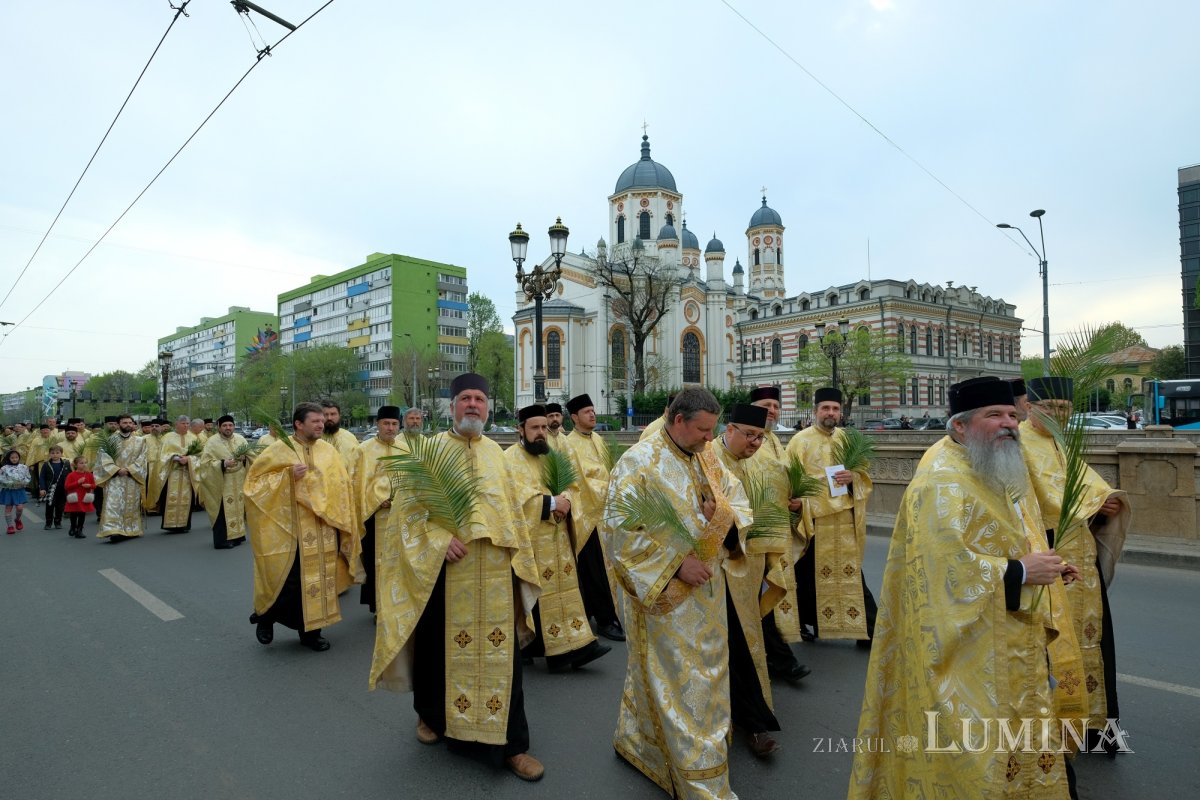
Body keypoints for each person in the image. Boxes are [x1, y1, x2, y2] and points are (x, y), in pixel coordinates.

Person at [849, 376, 1079, 798]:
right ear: (960, 426)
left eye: (1012, 413)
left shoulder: (994, 463)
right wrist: (1021, 573)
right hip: (968, 658)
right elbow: (940, 573)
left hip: (1011, 640)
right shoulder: (940, 481)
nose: (1010, 423)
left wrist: (1047, 565)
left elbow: (1012, 535)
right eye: (995, 415)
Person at [369, 373, 545, 782]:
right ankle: (431, 716)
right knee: (437, 649)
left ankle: (513, 746)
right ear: (451, 407)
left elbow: (513, 515)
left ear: (487, 407)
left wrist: (517, 562)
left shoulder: (498, 456)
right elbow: (406, 515)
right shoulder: (427, 452)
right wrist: (437, 539)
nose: (472, 405)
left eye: (479, 399)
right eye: (464, 398)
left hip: (496, 574)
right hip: (445, 571)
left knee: (504, 660)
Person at [604, 388, 751, 799]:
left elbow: (736, 502)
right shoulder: (638, 463)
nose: (710, 439)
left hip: (709, 591)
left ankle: (639, 744)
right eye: (703, 430)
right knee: (682, 682)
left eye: (713, 430)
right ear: (678, 420)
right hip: (667, 595)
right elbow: (618, 533)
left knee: (704, 673)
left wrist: (722, 517)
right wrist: (675, 565)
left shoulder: (708, 456)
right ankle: (698, 778)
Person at [1022, 376, 1131, 754]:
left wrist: (1107, 505)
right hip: (1046, 554)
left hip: (1081, 555)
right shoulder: (1017, 444)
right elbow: (1038, 499)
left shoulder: (1064, 444)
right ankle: (1054, 727)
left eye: (1064, 409)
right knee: (1052, 640)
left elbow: (1089, 488)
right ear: (1029, 407)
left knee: (1094, 640)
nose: (1057, 415)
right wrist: (1093, 504)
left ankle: (1094, 729)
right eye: (1049, 408)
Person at [245, 402, 361, 652]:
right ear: (299, 424)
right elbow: (253, 486)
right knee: (286, 580)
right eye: (315, 421)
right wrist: (286, 477)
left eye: (322, 421)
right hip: (289, 530)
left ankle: (311, 633)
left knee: (319, 578)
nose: (321, 425)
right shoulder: (279, 450)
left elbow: (342, 487)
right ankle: (265, 617)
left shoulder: (329, 452)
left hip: (323, 528)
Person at [507, 403, 611, 673]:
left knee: (567, 590)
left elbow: (573, 485)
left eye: (544, 427)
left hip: (558, 535)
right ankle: (547, 648)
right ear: (521, 430)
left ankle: (576, 644)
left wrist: (565, 500)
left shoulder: (552, 454)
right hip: (532, 540)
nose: (541, 432)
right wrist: (550, 504)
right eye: (535, 428)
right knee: (538, 593)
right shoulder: (510, 459)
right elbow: (513, 500)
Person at [711, 403, 788, 758]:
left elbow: (771, 510)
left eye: (761, 437)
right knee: (728, 645)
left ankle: (753, 721)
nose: (756, 443)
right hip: (713, 568)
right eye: (749, 435)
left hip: (750, 564)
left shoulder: (762, 464)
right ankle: (746, 721)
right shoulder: (706, 459)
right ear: (729, 429)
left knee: (746, 641)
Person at [785, 387, 876, 644]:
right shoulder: (799, 441)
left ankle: (866, 628)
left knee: (850, 573)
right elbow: (789, 479)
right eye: (826, 408)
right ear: (816, 411)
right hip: (813, 519)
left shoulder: (848, 440)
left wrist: (852, 478)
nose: (831, 413)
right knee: (806, 574)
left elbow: (864, 478)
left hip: (843, 519)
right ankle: (804, 623)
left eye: (835, 409)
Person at [747, 386, 810, 682]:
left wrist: (798, 504)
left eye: (775, 405)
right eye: (764, 405)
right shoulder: (742, 443)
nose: (771, 410)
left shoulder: (774, 441)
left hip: (777, 529)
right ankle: (780, 659)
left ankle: (776, 657)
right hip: (753, 534)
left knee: (772, 591)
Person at [563, 393, 625, 642]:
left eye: (593, 410)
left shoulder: (598, 438)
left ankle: (599, 614)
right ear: (575, 417)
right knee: (595, 571)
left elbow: (608, 469)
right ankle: (605, 620)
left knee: (606, 570)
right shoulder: (569, 445)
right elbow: (579, 481)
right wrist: (608, 491)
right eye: (587, 412)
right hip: (585, 515)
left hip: (605, 514)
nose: (592, 414)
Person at [350, 405, 405, 615]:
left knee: (398, 562)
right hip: (373, 517)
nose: (390, 428)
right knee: (375, 563)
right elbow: (355, 484)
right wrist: (377, 499)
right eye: (386, 423)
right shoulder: (363, 450)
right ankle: (379, 608)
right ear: (377, 424)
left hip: (399, 515)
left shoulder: (405, 450)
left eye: (394, 424)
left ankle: (396, 603)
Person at [195, 415, 252, 550]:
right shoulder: (212, 442)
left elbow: (252, 457)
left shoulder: (241, 439)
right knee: (222, 510)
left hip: (239, 480)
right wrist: (223, 463)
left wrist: (245, 459)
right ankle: (223, 540)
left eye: (230, 425)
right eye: (225, 426)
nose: (228, 428)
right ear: (219, 427)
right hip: (221, 482)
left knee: (239, 508)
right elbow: (205, 464)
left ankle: (237, 536)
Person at [94, 415, 149, 542]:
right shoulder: (110, 440)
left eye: (130, 422)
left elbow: (143, 458)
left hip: (131, 477)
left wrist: (130, 469)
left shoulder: (140, 441)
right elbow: (103, 458)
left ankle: (131, 529)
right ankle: (114, 530)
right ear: (119, 425)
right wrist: (116, 470)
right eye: (125, 422)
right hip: (114, 477)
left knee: (131, 505)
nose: (128, 425)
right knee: (113, 504)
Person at [157, 416, 198, 533]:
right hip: (172, 473)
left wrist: (189, 459)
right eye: (183, 423)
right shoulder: (167, 437)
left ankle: (184, 524)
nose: (186, 426)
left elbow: (200, 456)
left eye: (187, 423)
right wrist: (175, 457)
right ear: (177, 424)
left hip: (187, 473)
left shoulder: (193, 438)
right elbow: (161, 455)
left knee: (186, 499)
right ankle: (170, 524)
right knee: (170, 497)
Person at [63, 455, 96, 538]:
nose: (84, 464)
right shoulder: (71, 475)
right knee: (73, 514)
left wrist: (89, 485)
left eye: (85, 463)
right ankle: (73, 527)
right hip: (75, 497)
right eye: (81, 463)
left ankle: (80, 530)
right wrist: (78, 482)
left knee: (82, 514)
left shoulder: (89, 474)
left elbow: (94, 485)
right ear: (76, 465)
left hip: (84, 497)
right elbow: (66, 486)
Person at [38, 445, 69, 529]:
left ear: (61, 454)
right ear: (49, 454)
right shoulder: (46, 465)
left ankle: (58, 522)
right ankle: (48, 523)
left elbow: (69, 476)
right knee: (50, 506)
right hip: (50, 489)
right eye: (52, 453)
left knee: (60, 507)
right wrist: (42, 488)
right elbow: (42, 477)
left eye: (57, 453)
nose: (55, 455)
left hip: (62, 489)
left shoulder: (65, 464)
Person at [321, 401, 359, 468]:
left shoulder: (349, 437)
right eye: (325, 415)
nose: (329, 418)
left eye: (333, 414)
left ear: (339, 416)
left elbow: (356, 464)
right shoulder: (314, 438)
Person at [1, 450, 31, 534]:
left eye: (16, 457)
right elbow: (1, 478)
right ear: (8, 458)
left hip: (19, 490)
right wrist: (10, 483)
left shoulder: (24, 467)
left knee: (19, 508)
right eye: (12, 457)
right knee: (8, 508)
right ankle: (10, 526)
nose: (14, 459)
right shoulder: (4, 468)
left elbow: (28, 477)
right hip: (8, 491)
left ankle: (17, 519)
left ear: (19, 458)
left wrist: (23, 482)